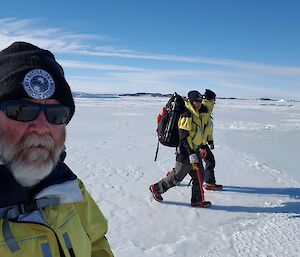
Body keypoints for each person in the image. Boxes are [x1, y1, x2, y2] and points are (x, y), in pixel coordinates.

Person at [0, 42, 114, 257]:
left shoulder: (67, 186)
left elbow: (96, 241)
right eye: (22, 110)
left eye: (56, 114)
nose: (42, 128)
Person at [149, 90, 212, 208]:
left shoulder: (196, 113)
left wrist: (202, 147)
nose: (199, 103)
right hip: (185, 152)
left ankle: (197, 200)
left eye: (200, 101)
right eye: (196, 101)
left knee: (199, 176)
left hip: (194, 150)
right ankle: (156, 188)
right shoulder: (187, 114)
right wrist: (191, 153)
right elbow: (183, 136)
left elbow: (198, 134)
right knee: (177, 176)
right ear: (191, 101)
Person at [201, 89, 223, 190]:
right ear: (210, 99)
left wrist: (210, 141)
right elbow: (199, 130)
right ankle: (209, 183)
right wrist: (202, 146)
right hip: (198, 143)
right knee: (210, 161)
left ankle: (173, 175)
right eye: (214, 99)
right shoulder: (203, 111)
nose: (214, 102)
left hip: (201, 142)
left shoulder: (206, 110)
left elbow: (207, 129)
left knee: (188, 163)